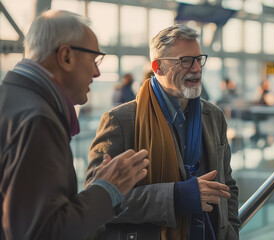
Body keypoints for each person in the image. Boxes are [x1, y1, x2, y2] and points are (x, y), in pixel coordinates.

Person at [0, 10, 150, 240]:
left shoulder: (12, 99)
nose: (97, 72)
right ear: (66, 56)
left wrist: (96, 191)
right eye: (94, 59)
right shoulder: (38, 120)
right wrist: (107, 190)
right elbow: (41, 233)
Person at [85, 24, 239, 240]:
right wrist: (176, 198)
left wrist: (231, 230)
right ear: (158, 67)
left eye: (199, 59)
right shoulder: (121, 121)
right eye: (185, 61)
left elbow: (228, 184)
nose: (196, 68)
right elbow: (97, 201)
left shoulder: (213, 116)